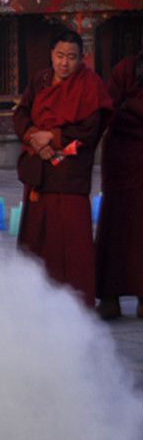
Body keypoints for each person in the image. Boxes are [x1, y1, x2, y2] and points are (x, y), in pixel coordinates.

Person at [13, 30, 111, 307]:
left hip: (69, 174)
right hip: (39, 171)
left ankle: (77, 303)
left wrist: (53, 138)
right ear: (51, 55)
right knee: (38, 237)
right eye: (59, 56)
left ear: (81, 58)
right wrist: (35, 137)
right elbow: (21, 114)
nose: (64, 63)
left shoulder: (90, 85)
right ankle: (35, 299)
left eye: (71, 57)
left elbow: (90, 129)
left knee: (71, 241)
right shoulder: (41, 81)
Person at [96, 41, 143, 319]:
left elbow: (123, 108)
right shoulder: (125, 69)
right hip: (122, 164)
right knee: (116, 228)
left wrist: (130, 108)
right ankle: (109, 297)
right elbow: (109, 109)